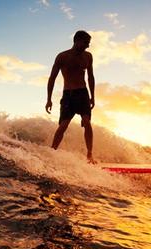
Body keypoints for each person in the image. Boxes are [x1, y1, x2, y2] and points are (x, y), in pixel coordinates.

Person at [45, 30, 96, 163]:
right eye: (86, 42)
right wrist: (49, 99)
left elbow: (91, 77)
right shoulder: (62, 56)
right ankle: (52, 152)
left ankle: (90, 155)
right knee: (63, 126)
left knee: (87, 122)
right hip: (68, 95)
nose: (88, 46)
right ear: (77, 40)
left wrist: (92, 96)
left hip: (82, 93)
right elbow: (52, 78)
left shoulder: (88, 57)